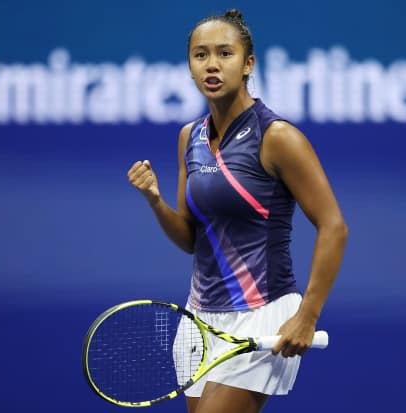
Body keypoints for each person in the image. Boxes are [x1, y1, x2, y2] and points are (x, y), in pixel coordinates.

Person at [127, 9, 348, 413]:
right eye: (200, 55)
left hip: (262, 313)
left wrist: (307, 315)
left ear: (248, 64)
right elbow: (191, 239)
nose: (212, 64)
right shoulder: (188, 138)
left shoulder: (277, 137)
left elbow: (334, 226)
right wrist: (155, 200)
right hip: (200, 319)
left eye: (225, 54)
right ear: (190, 67)